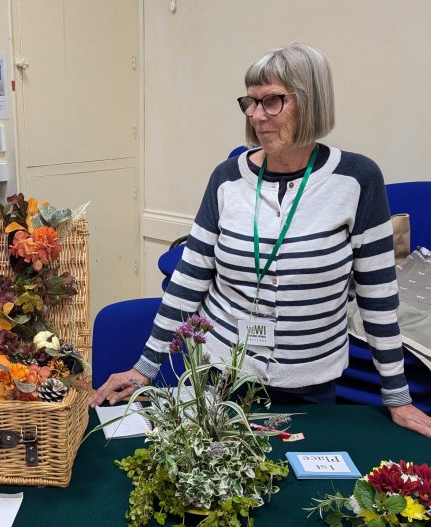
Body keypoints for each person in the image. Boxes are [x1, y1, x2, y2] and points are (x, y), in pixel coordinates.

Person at [89, 42, 431, 437]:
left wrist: (398, 395)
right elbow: (189, 279)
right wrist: (144, 367)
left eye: (271, 101)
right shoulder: (227, 178)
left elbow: (378, 296)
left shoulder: (356, 179)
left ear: (311, 100)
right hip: (221, 378)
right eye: (250, 102)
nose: (255, 115)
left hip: (311, 384)